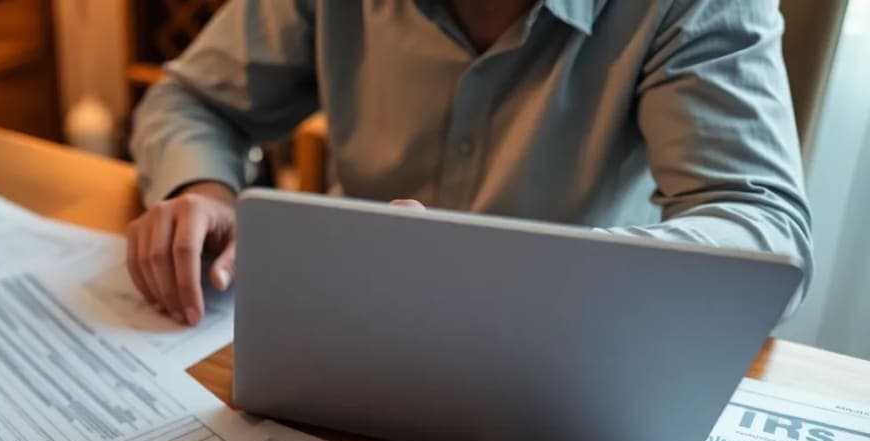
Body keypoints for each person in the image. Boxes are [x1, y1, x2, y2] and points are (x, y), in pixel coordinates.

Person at [126, 0, 812, 326]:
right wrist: (205, 188)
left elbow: (765, 231)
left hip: (568, 346)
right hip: (353, 326)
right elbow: (188, 100)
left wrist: (518, 268)